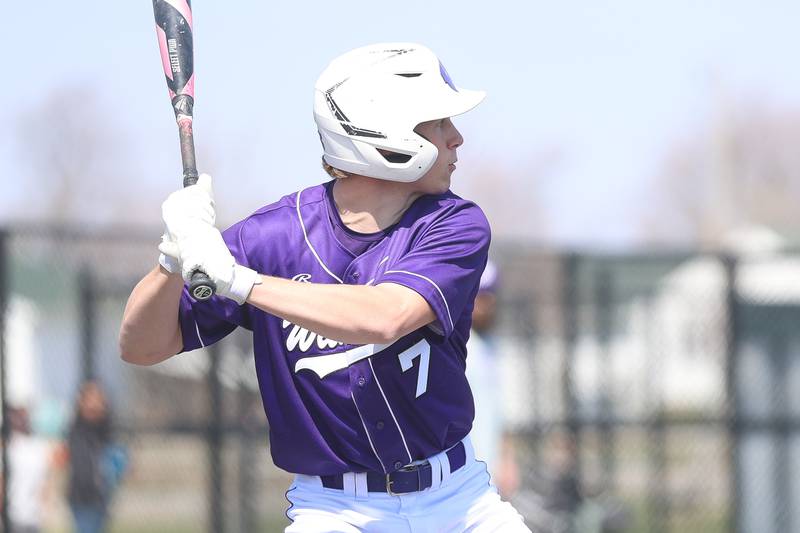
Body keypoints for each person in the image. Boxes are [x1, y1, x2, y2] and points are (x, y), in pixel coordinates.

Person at [120, 42, 530, 532]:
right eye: (438, 123)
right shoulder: (270, 237)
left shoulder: (454, 224)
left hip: (458, 501)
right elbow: (141, 346)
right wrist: (171, 259)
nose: (456, 138)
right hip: (336, 512)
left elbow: (385, 316)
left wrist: (243, 283)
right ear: (385, 131)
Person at [464, 261, 521, 500]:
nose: (485, 305)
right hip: (460, 471)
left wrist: (507, 459)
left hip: (488, 469)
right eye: (480, 296)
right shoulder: (456, 346)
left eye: (490, 296)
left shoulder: (493, 347)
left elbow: (501, 412)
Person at [61, 380, 127, 533]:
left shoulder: (106, 430)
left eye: (99, 400)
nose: (95, 405)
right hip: (80, 495)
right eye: (90, 399)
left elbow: (118, 455)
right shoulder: (76, 428)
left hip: (100, 495)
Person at [3, 406, 56, 533]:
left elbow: (45, 482)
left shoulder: (38, 447)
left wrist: (45, 510)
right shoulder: (8, 447)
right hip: (13, 514)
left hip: (32, 516)